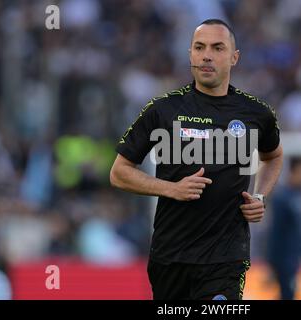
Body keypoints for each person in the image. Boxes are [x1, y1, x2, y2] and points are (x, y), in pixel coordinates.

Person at [110, 19, 283, 300]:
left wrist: (260, 196)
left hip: (226, 257)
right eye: (199, 47)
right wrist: (171, 188)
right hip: (171, 256)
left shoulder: (257, 113)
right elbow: (119, 173)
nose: (207, 55)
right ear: (190, 53)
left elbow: (274, 156)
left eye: (217, 48)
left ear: (234, 57)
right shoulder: (162, 111)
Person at [266, 157, 301, 300]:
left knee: (288, 295)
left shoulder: (298, 197)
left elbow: (298, 234)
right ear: (295, 170)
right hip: (283, 262)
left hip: (294, 261)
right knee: (288, 295)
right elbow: (275, 232)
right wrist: (272, 264)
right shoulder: (282, 198)